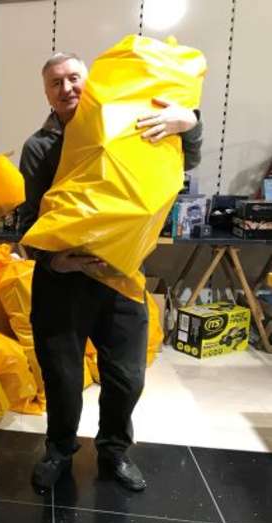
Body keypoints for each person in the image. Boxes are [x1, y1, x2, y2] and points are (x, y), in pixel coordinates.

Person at [17, 52, 202, 492]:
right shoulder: (39, 148)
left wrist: (189, 122)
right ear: (46, 93)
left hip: (119, 278)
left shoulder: (127, 127)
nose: (67, 88)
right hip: (61, 283)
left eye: (74, 78)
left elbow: (183, 161)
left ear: (89, 81)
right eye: (55, 83)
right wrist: (52, 260)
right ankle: (59, 450)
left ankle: (114, 451)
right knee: (61, 378)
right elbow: (27, 223)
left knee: (127, 376)